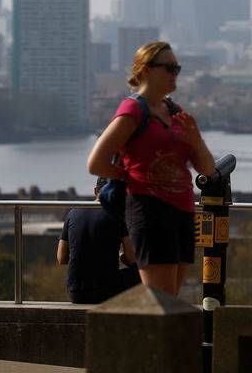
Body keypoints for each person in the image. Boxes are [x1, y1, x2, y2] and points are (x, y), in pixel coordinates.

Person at [87, 41, 215, 296]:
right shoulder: (133, 109)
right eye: (168, 68)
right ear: (145, 70)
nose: (174, 74)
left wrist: (196, 142)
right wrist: (132, 176)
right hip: (151, 210)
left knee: (172, 301)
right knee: (161, 302)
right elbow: (96, 162)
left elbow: (207, 169)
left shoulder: (176, 112)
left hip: (183, 210)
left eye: (177, 68)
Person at [57, 208, 140, 304]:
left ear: (96, 192)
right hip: (107, 292)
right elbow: (131, 258)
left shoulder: (72, 213)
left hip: (76, 293)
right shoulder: (118, 214)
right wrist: (120, 256)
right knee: (141, 273)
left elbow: (61, 258)